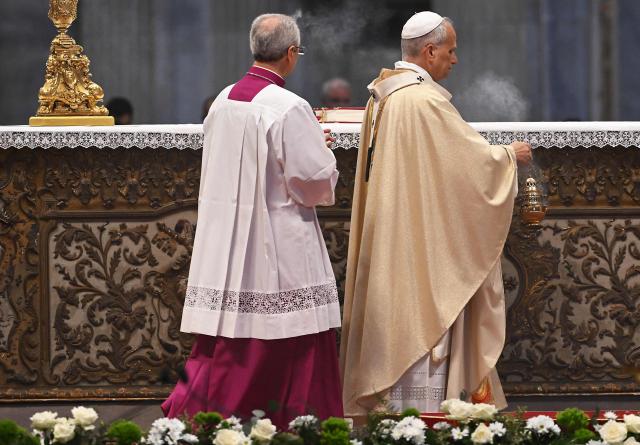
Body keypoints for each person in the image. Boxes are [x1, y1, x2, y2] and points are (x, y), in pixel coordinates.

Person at [339, 11, 532, 417]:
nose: (455, 59)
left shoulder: (388, 96)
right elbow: (469, 169)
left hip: (399, 233)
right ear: (429, 51)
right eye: (450, 50)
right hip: (421, 243)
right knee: (424, 308)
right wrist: (508, 157)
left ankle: (394, 416)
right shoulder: (422, 101)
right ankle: (424, 417)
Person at [162, 13, 343, 427]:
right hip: (275, 238)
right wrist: (323, 152)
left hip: (226, 237)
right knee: (285, 333)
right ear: (292, 54)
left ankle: (212, 413)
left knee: (227, 335)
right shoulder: (289, 107)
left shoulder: (223, 100)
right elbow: (311, 182)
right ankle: (289, 419)